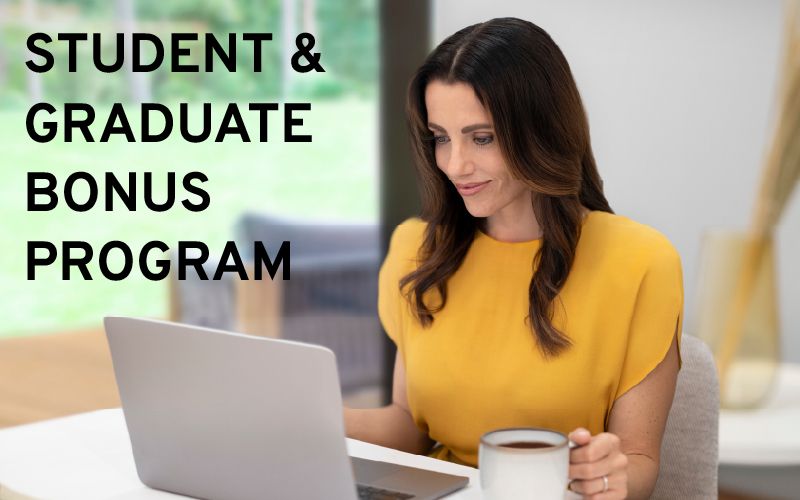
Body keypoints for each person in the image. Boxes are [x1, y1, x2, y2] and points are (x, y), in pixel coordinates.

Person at [345, 17, 682, 500]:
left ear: (541, 130)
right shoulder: (417, 249)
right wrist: (311, 417)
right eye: (441, 137)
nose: (455, 165)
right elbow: (409, 428)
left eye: (481, 138)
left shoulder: (640, 262)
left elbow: (639, 461)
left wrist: (607, 473)